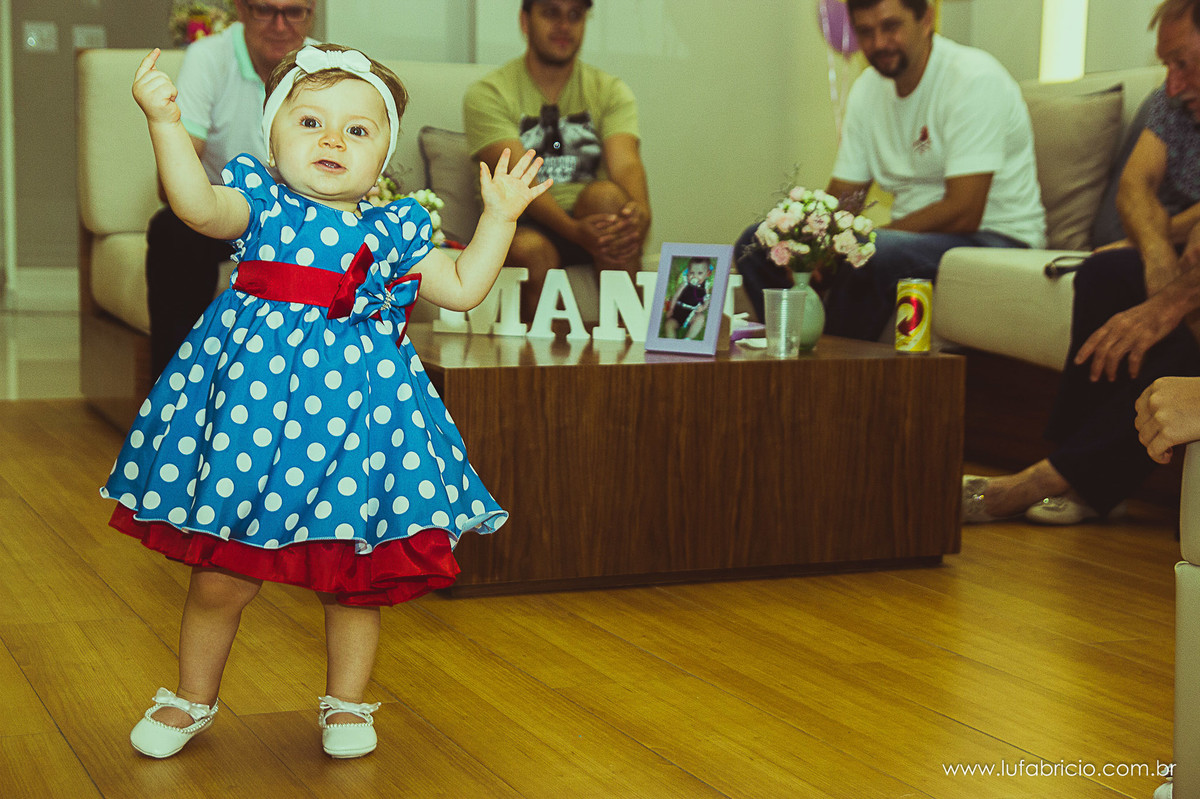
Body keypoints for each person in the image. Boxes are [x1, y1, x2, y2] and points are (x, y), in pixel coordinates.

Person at [109, 43, 550, 760]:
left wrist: (499, 218)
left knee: (354, 581)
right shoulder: (261, 203)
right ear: (272, 137)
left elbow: (464, 288)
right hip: (253, 425)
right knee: (222, 576)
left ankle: (346, 703)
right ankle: (192, 696)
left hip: (357, 431)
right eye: (310, 121)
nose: (333, 140)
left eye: (357, 129)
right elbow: (194, 206)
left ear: (384, 157)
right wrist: (164, 122)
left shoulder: (396, 230)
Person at [962, 0, 1200, 526]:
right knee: (1103, 273)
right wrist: (1157, 256)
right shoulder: (1175, 102)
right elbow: (1134, 186)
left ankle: (1051, 478)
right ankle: (1084, 477)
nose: (1173, 82)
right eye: (1167, 65)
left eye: (1182, 63)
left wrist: (1169, 292)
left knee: (1184, 330)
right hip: (1182, 259)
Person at [735, 0, 1045, 339]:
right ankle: (792, 345)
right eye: (865, 32)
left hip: (995, 238)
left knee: (872, 252)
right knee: (759, 243)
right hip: (907, 241)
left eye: (891, 27)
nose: (879, 43)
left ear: (926, 19)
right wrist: (814, 242)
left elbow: (964, 211)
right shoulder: (868, 89)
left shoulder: (973, 78)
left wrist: (857, 243)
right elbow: (846, 197)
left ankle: (830, 365)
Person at [146, 0, 317, 379]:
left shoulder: (325, 67)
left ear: (312, 12)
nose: (280, 25)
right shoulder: (209, 57)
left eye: (294, 12)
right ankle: (175, 394)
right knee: (172, 231)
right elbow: (169, 183)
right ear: (240, 9)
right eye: (265, 10)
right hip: (228, 212)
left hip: (305, 218)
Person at [463, 0, 651, 319]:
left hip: (593, 218)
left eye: (575, 15)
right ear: (525, 21)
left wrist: (639, 214)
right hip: (525, 221)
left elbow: (627, 164)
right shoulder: (489, 92)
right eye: (551, 13)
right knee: (532, 251)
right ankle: (551, 353)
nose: (564, 26)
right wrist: (574, 231)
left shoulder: (610, 90)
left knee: (607, 198)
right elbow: (521, 180)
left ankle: (629, 339)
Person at [661, 257, 713, 340]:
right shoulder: (685, 283)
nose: (695, 276)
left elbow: (707, 299)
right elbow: (676, 296)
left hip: (693, 313)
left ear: (707, 274)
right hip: (678, 312)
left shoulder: (705, 285)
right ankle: (672, 342)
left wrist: (703, 307)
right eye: (692, 273)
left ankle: (687, 339)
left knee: (700, 318)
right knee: (669, 324)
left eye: (699, 273)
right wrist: (671, 309)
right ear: (688, 273)